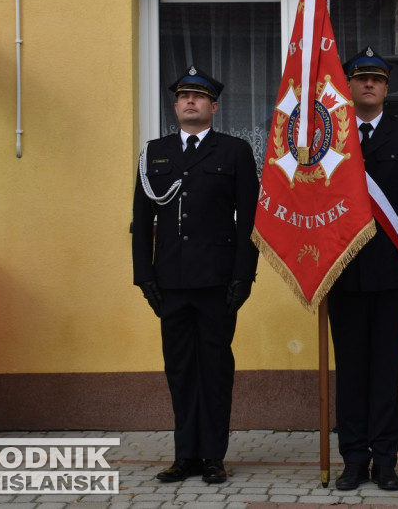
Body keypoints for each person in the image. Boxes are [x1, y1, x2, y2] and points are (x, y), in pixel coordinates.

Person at [132, 66, 259, 485]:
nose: (190, 101)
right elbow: (141, 219)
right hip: (170, 282)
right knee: (181, 370)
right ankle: (184, 455)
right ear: (175, 106)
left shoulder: (234, 151)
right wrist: (143, 276)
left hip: (218, 282)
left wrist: (244, 275)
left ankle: (213, 458)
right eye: (184, 96)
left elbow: (249, 221)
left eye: (199, 97)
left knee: (216, 369)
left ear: (213, 107)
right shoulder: (154, 152)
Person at [329, 46, 398, 492]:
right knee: (350, 371)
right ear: (348, 87)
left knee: (384, 371)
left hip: (392, 272)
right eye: (360, 78)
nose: (368, 84)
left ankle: (385, 460)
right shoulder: (327, 138)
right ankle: (353, 458)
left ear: (387, 88)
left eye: (376, 79)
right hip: (342, 271)